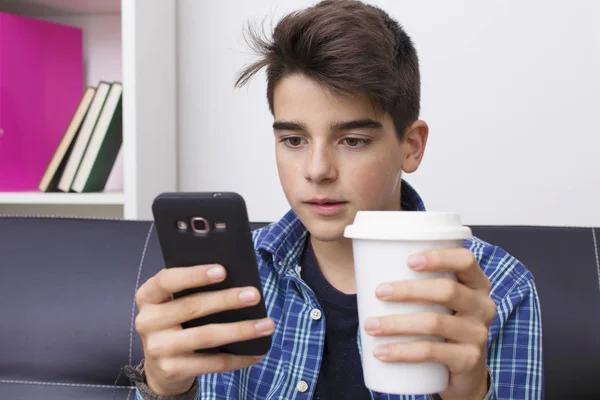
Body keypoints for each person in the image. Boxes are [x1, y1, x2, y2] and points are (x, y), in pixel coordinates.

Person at [126, 1, 543, 399]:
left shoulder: (500, 288)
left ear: (411, 146)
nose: (317, 169)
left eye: (353, 141)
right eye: (293, 139)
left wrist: (469, 396)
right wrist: (164, 390)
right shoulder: (226, 277)